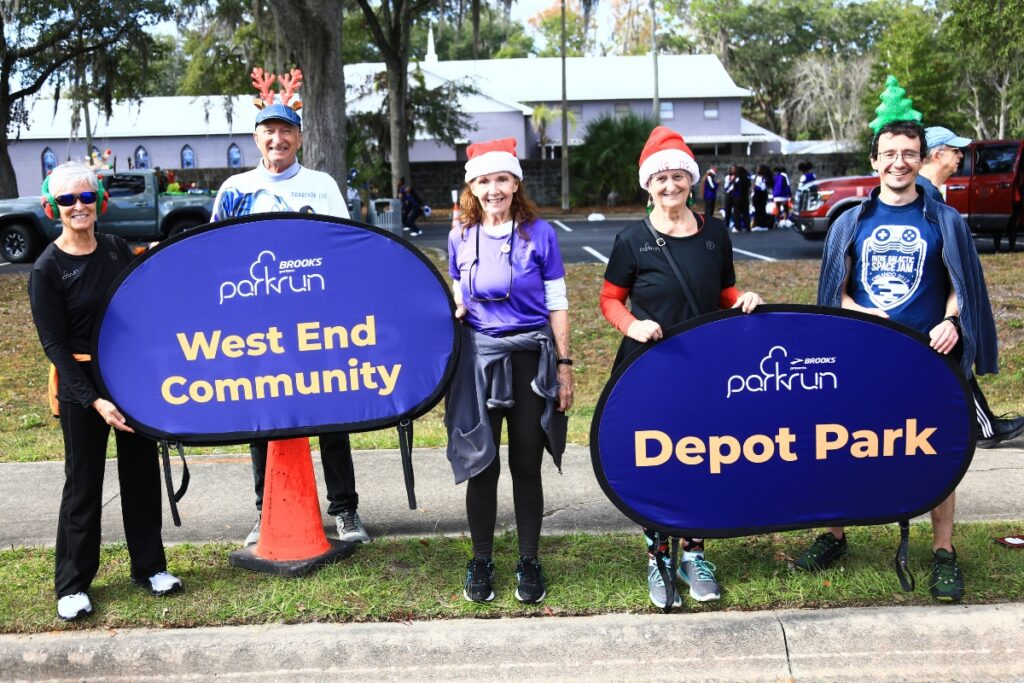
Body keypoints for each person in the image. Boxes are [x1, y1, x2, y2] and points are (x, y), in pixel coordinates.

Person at [803, 119, 999, 602]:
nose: (899, 162)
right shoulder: (851, 220)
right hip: (862, 358)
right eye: (889, 153)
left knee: (938, 450)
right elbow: (836, 292)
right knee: (839, 444)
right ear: (874, 160)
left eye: (909, 153)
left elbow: (960, 286)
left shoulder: (944, 220)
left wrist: (952, 321)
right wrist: (860, 313)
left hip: (927, 358)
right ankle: (834, 535)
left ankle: (943, 550)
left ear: (921, 157)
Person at [599, 127, 762, 609]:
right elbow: (610, 299)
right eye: (660, 178)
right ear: (648, 185)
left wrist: (743, 299)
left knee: (703, 458)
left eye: (678, 177)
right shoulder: (632, 240)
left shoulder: (715, 233)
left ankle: (694, 554)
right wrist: (633, 325)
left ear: (691, 181)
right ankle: (657, 557)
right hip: (650, 368)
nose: (670, 186)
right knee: (656, 461)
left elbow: (724, 290)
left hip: (708, 369)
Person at [211, 72, 370, 547]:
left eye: (286, 131)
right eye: (268, 131)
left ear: (300, 137)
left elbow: (344, 252)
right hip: (257, 327)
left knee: (330, 412)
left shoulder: (321, 186)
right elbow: (217, 256)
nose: (277, 139)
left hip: (316, 324)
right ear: (256, 138)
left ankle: (345, 509)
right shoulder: (235, 190)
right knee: (263, 414)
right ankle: (268, 510)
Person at [30, 163, 183, 621]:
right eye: (67, 200)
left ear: (100, 201)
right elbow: (54, 346)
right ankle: (73, 584)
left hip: (130, 377)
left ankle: (150, 568)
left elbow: (149, 293)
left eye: (86, 197)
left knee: (140, 474)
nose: (78, 206)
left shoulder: (117, 249)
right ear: (51, 208)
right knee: (84, 484)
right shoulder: (47, 269)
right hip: (81, 386)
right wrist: (93, 399)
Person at [445, 137, 573, 604]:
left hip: (529, 363)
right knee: (481, 464)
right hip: (479, 363)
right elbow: (459, 288)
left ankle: (528, 559)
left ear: (516, 182)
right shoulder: (460, 233)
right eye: (484, 180)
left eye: (501, 179)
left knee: (525, 464)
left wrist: (564, 367)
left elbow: (557, 303)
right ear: (472, 186)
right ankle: (480, 560)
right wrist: (458, 308)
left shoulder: (541, 234)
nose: (493, 189)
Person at [920, 126, 1024, 448]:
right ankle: (984, 428)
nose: (960, 156)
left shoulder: (931, 193)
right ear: (937, 154)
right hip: (931, 303)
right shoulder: (925, 196)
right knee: (952, 357)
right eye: (954, 150)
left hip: (938, 300)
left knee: (950, 358)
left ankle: (981, 425)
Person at [751, 164, 773, 231]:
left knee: (761, 210)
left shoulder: (764, 178)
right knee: (757, 210)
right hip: (756, 195)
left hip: (761, 196)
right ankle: (758, 224)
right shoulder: (756, 177)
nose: (757, 170)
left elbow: (763, 188)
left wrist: (755, 186)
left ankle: (762, 225)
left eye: (758, 169)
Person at [722, 166, 737, 231]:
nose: (733, 170)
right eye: (732, 169)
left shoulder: (737, 177)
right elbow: (726, 187)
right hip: (729, 194)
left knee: (736, 210)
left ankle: (735, 223)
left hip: (735, 194)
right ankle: (726, 223)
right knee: (727, 209)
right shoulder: (728, 177)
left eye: (734, 169)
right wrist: (730, 182)